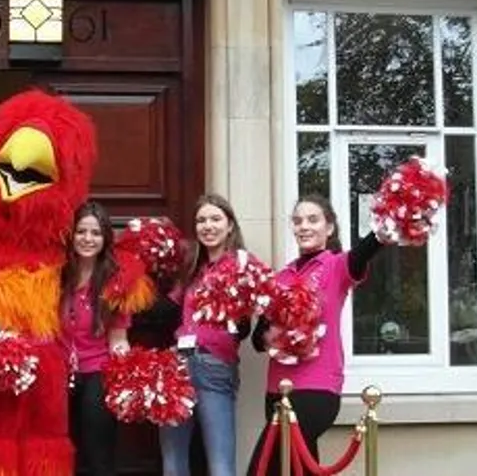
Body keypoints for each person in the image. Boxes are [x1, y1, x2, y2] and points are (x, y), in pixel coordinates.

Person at [246, 194, 383, 476]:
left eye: (313, 219)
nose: (303, 226)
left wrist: (388, 225)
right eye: (297, 221)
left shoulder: (336, 266)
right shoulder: (280, 277)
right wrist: (276, 328)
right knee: (300, 469)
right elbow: (257, 342)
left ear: (329, 227)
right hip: (276, 388)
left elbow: (368, 249)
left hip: (317, 388)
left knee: (262, 469)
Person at [159, 193, 251, 476]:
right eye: (201, 220)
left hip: (214, 364)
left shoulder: (243, 264)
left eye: (215, 219)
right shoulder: (192, 267)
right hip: (178, 366)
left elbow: (247, 322)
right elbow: (166, 309)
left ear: (230, 225)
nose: (207, 226)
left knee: (220, 463)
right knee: (173, 462)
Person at [61, 201, 130, 476]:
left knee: (97, 453)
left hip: (96, 372)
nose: (87, 239)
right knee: (65, 451)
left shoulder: (116, 280)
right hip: (58, 373)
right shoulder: (55, 275)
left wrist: (128, 364)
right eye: (81, 232)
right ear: (72, 234)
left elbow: (118, 338)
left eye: (95, 233)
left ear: (105, 239)